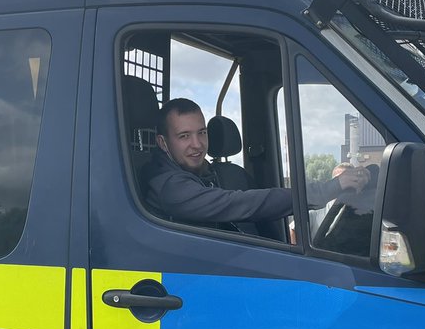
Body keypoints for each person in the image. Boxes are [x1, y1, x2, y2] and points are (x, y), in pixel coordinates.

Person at [140, 98, 369, 232]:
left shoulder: (220, 175)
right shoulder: (170, 187)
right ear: (163, 143)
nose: (197, 144)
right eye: (184, 136)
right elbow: (244, 204)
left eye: (202, 133)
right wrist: (326, 189)